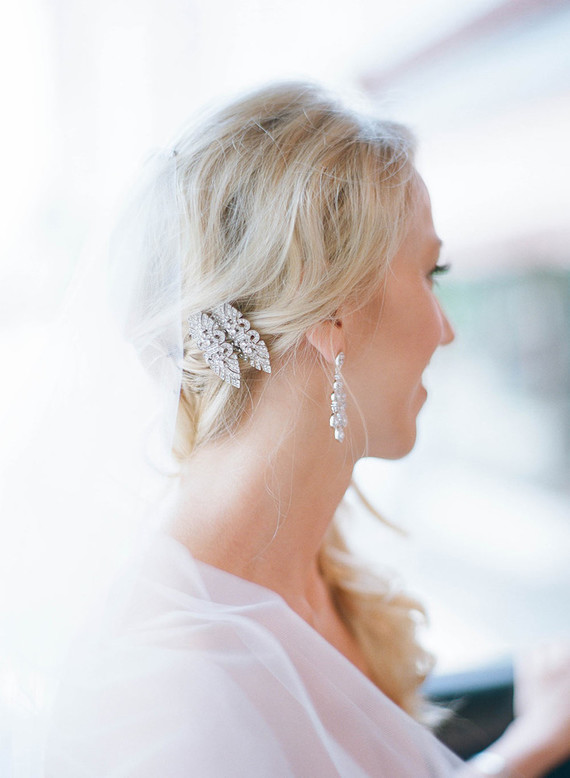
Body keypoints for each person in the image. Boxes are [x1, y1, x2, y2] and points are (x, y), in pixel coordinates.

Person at [45, 82, 570, 777]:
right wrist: (531, 747)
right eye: (429, 271)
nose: (447, 330)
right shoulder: (167, 696)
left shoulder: (308, 557)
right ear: (329, 308)